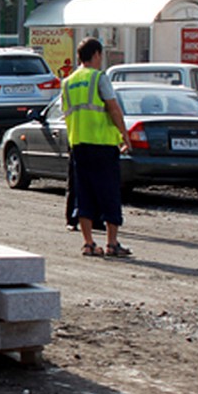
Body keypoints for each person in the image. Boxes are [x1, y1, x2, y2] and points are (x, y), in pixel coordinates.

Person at [62, 37, 133, 258]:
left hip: (79, 145)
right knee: (109, 193)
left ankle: (88, 243)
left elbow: (67, 114)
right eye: (100, 55)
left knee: (84, 194)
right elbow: (113, 108)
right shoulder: (99, 78)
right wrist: (125, 136)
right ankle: (112, 243)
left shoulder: (68, 82)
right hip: (102, 145)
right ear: (96, 55)